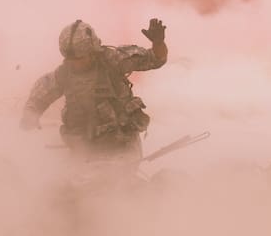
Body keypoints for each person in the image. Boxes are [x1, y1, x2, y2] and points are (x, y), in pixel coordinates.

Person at [20, 18, 168, 170]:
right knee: (67, 189)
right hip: (83, 150)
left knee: (117, 186)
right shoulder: (64, 74)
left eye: (80, 58)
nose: (75, 63)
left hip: (121, 145)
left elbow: (155, 59)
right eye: (71, 59)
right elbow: (40, 94)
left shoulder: (113, 61)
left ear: (92, 52)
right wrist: (30, 115)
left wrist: (158, 43)